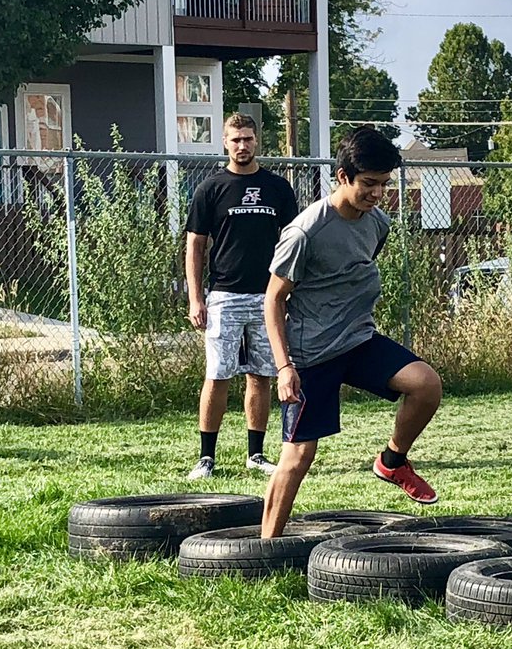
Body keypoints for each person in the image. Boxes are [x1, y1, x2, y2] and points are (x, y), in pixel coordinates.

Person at [260, 126, 442, 538]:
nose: (378, 194)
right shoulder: (305, 231)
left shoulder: (377, 222)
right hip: (312, 353)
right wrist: (284, 366)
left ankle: (393, 462)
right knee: (299, 453)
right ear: (343, 177)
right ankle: (265, 547)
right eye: (369, 184)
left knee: (426, 385)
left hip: (358, 340)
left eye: (384, 184)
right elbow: (272, 300)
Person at [184, 113, 298, 479]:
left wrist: (292, 291)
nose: (242, 146)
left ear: (257, 141)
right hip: (224, 296)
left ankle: (256, 454)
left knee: (261, 375)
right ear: (224, 143)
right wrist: (195, 298)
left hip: (268, 297)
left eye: (248, 139)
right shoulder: (211, 188)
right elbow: (195, 246)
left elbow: (294, 242)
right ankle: (207, 457)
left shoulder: (278, 188)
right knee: (217, 375)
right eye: (235, 140)